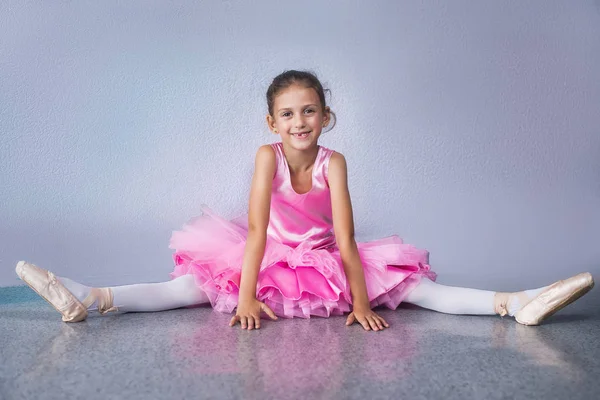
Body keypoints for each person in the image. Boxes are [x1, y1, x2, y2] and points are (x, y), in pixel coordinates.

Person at [15, 70, 595, 331]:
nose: (300, 122)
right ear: (273, 121)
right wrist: (245, 297)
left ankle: (517, 302)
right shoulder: (267, 157)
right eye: (289, 114)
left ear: (326, 117)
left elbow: (345, 238)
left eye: (310, 111)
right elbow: (257, 229)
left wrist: (362, 303)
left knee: (415, 289)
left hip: (322, 256)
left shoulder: (333, 163)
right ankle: (87, 297)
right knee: (188, 288)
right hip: (268, 257)